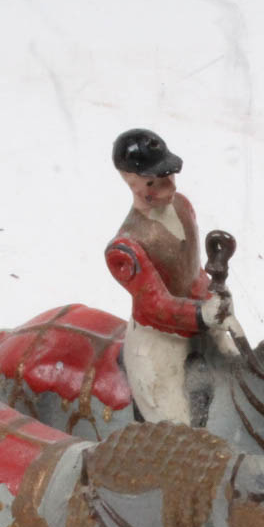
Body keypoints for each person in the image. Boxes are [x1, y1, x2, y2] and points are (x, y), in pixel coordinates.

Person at [104, 129, 235, 425]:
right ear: (129, 180)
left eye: (168, 176)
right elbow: (155, 304)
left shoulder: (183, 207)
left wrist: (211, 296)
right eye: (152, 181)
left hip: (200, 318)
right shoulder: (124, 246)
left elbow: (192, 271)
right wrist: (202, 313)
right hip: (158, 337)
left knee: (239, 372)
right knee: (175, 423)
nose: (166, 187)